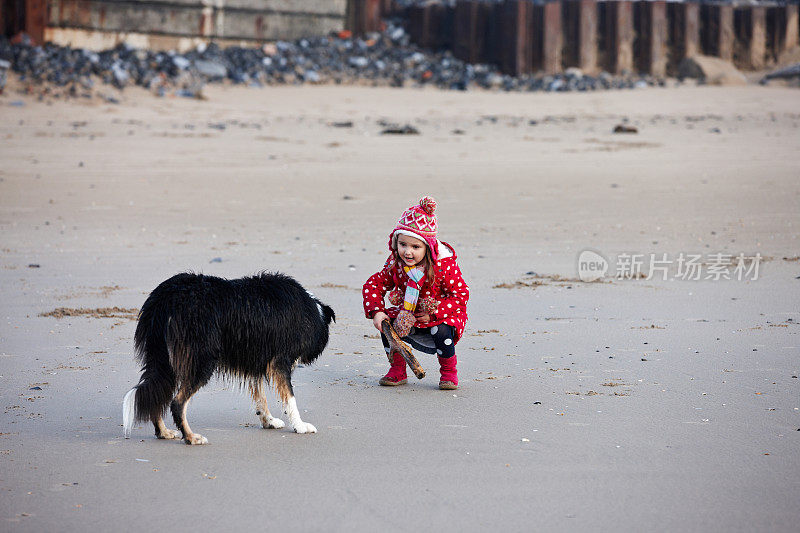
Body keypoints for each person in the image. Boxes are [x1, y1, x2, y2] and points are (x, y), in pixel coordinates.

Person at [362, 196, 469, 389]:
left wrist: (435, 313)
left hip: (438, 315)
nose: (408, 252)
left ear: (428, 247)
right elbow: (373, 285)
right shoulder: (396, 264)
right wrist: (377, 311)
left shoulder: (443, 266)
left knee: (442, 330)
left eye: (415, 246)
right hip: (407, 314)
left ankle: (448, 373)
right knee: (387, 325)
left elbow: (460, 295)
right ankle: (397, 369)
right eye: (403, 244)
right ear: (396, 243)